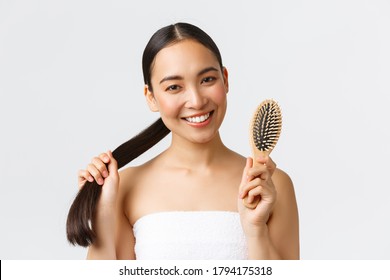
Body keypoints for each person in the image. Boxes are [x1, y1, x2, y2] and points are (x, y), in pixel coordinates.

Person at [75, 22, 299, 260]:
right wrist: (101, 216)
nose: (196, 100)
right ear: (151, 97)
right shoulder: (124, 187)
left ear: (225, 79)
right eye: (174, 87)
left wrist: (256, 232)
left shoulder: (272, 186)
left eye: (207, 80)